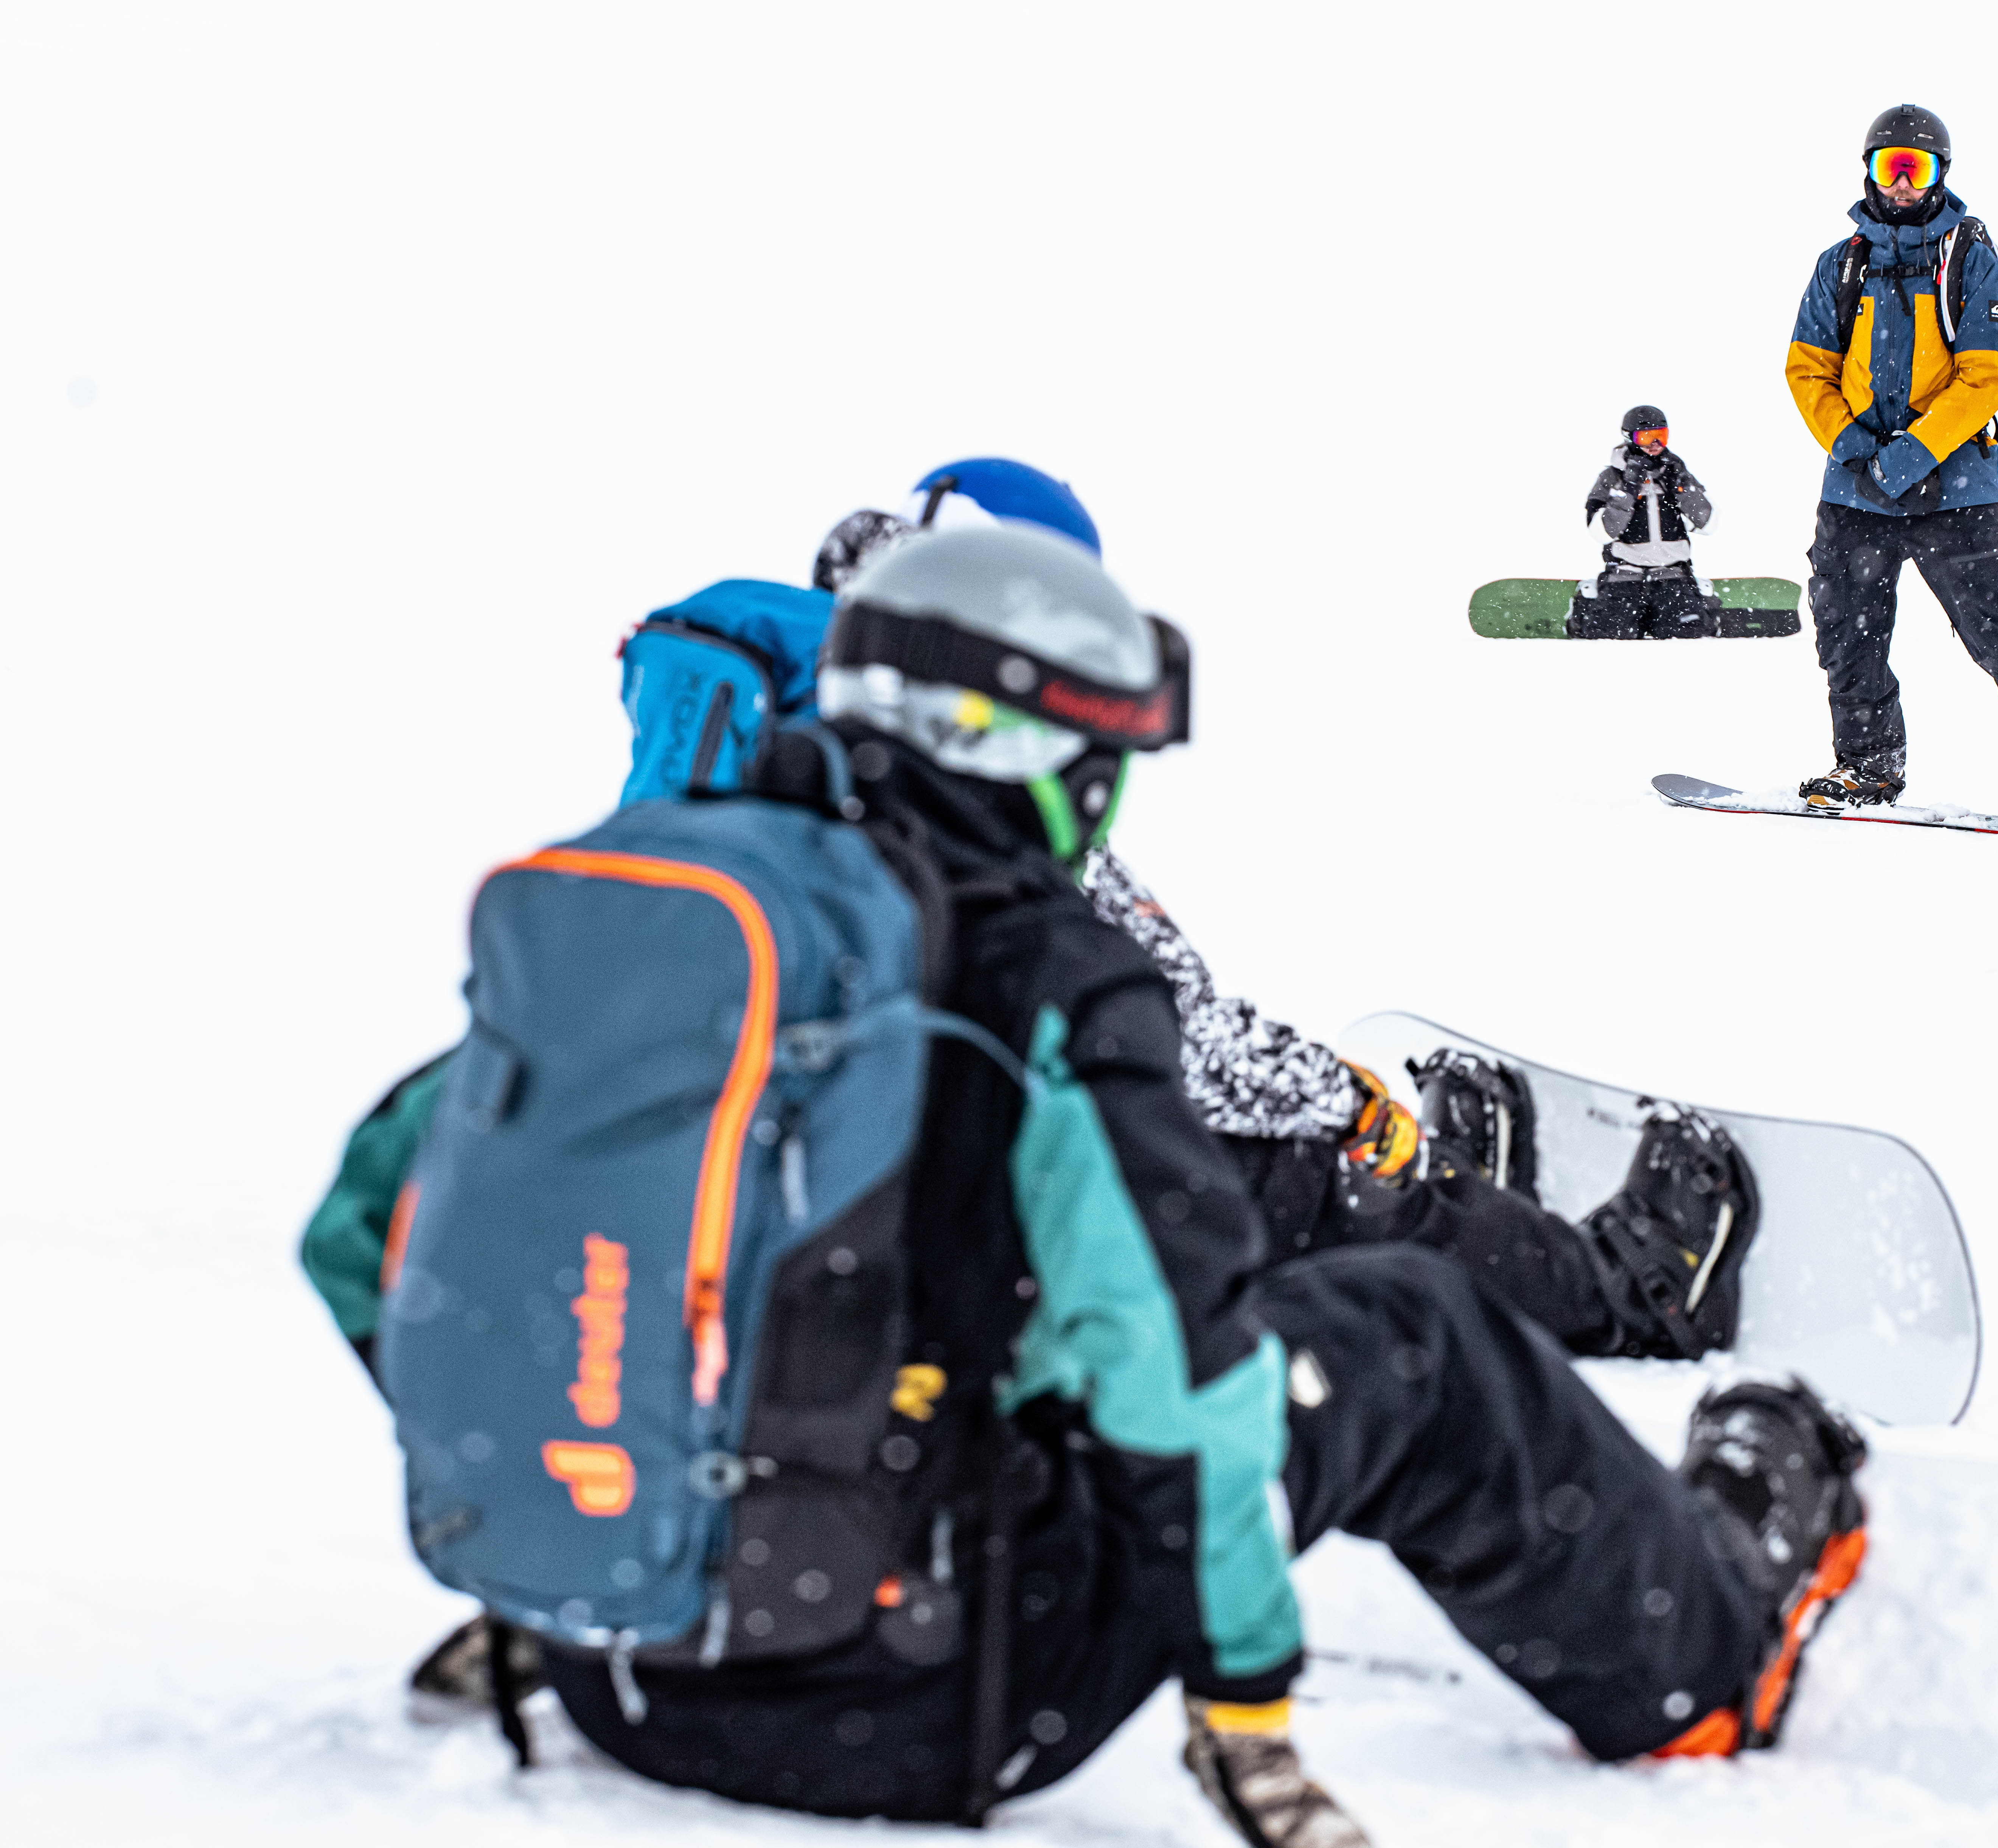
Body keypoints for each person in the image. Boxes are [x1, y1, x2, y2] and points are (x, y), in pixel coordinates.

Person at [306, 525, 1862, 1846]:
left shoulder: (671, 901)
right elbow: (1176, 1371)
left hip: (608, 1662)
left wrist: (590, 1489)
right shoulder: (1040, 971)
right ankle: (1705, 1656)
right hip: (925, 1700)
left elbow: (366, 1233)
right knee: (1409, 1329)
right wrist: (1241, 1694)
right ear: (1039, 753)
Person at [1782, 104, 1998, 831]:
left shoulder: (1969, 260)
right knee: (1846, 632)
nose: (1902, 183)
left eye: (1917, 168)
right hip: (1855, 491)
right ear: (1869, 173)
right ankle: (1867, 764)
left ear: (1940, 175)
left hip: (1954, 491)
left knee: (1994, 632)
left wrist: (1911, 453)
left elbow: (1982, 376)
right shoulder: (1839, 265)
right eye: (1890, 167)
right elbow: (1806, 369)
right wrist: (1851, 446)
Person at [1574, 405, 1718, 638]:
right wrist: (1629, 490)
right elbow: (1601, 533)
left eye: (1661, 436)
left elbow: (1708, 523)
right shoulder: (1612, 478)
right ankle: (1586, 603)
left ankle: (1702, 603)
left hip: (1674, 576)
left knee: (1688, 635)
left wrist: (1682, 486)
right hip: (1624, 575)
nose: (1655, 444)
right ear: (1630, 438)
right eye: (1647, 437)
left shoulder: (1674, 472)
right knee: (1610, 635)